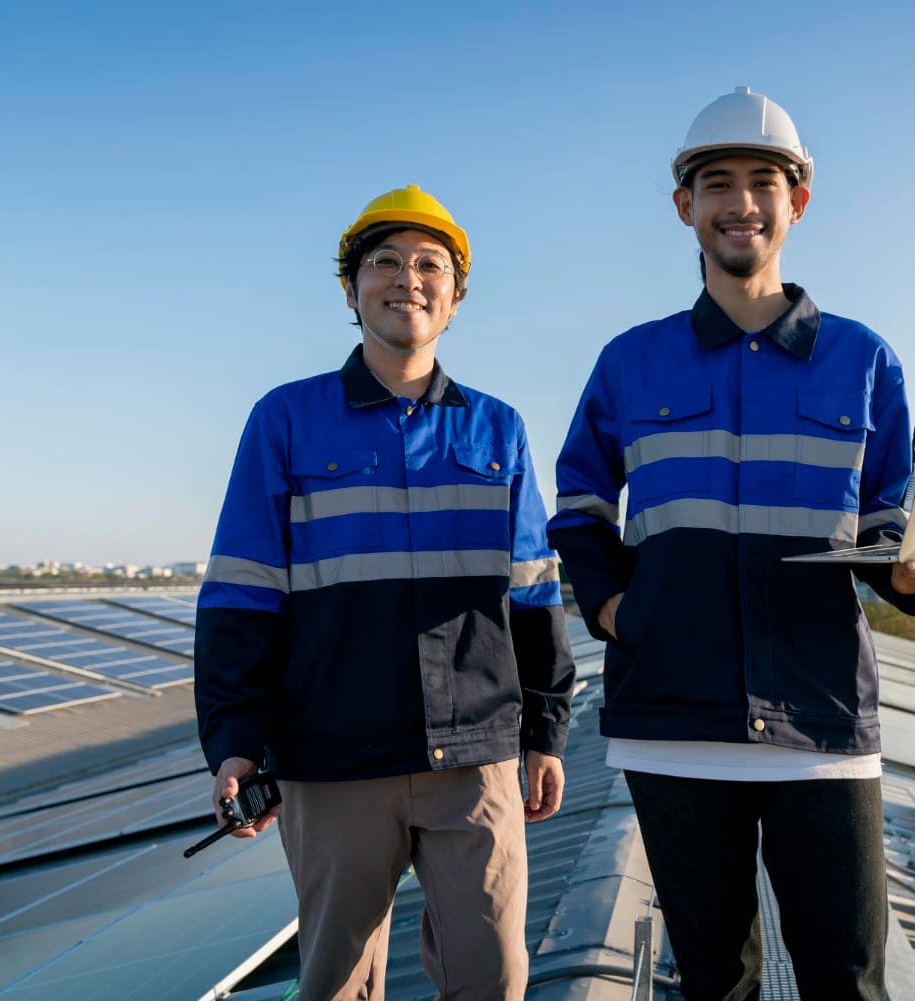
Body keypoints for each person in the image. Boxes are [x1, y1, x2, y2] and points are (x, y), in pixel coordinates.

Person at [548, 88, 915, 999]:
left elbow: (889, 530)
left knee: (847, 980)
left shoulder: (863, 359)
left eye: (765, 181)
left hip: (822, 722)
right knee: (714, 983)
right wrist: (613, 605)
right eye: (716, 183)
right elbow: (579, 502)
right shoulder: (630, 362)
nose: (741, 202)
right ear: (685, 206)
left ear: (800, 200)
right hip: (674, 723)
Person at [195, 184, 576, 1000]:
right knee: (336, 984)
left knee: (493, 980)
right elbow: (241, 594)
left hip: (474, 761)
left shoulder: (497, 430)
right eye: (385, 262)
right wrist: (235, 738)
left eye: (431, 264)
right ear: (350, 288)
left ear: (456, 298)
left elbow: (535, 594)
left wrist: (546, 727)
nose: (409, 279)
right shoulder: (285, 421)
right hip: (333, 762)